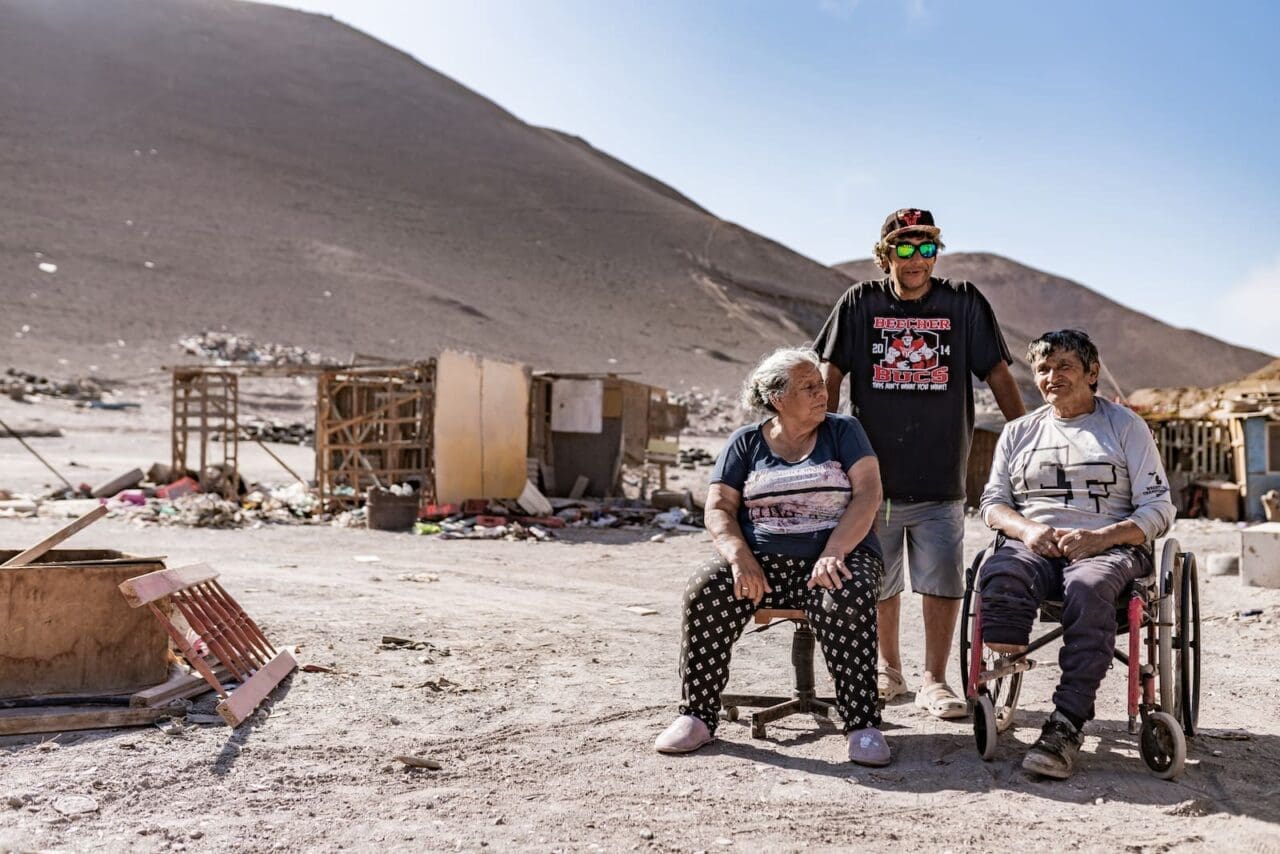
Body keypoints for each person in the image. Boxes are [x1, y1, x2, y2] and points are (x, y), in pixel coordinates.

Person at [814, 208, 1026, 719]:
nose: (916, 259)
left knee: (942, 579)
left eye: (926, 247)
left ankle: (934, 680)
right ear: (885, 252)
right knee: (879, 580)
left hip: (940, 476)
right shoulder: (859, 303)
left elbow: (996, 373)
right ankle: (890, 671)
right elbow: (830, 371)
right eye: (904, 247)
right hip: (873, 481)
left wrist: (1024, 438)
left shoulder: (963, 302)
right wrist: (824, 443)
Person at [654, 347, 889, 765]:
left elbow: (869, 494)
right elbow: (719, 508)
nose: (824, 393)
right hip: (763, 559)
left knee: (844, 596)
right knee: (706, 588)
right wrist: (738, 556)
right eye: (809, 387)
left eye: (821, 385)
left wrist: (834, 551)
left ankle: (862, 724)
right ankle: (697, 715)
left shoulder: (844, 431)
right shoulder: (744, 442)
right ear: (777, 398)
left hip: (841, 553)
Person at [978, 329, 1175, 779]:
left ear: (1092, 372)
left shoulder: (1126, 427)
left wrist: (1103, 538)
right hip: (1038, 545)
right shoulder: (1017, 432)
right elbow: (994, 504)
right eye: (1043, 369)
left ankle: (1066, 723)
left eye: (1064, 366)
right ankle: (1004, 657)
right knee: (1001, 570)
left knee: (1088, 587)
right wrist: (1027, 530)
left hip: (1110, 547)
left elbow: (1159, 506)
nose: (1052, 376)